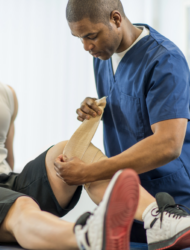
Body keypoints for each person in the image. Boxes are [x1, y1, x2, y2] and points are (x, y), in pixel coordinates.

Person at [0, 4, 188, 250]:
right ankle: (87, 236)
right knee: (19, 207)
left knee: (68, 151)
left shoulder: (4, 94)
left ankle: (156, 217)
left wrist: (88, 164)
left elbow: (7, 157)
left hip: (4, 184)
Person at [54, 0, 190, 246]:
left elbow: (168, 144)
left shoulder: (165, 60)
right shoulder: (103, 56)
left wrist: (89, 172)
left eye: (91, 36)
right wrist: (95, 108)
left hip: (171, 200)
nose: (86, 46)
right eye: (79, 38)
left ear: (116, 19)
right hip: (127, 200)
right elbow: (130, 107)